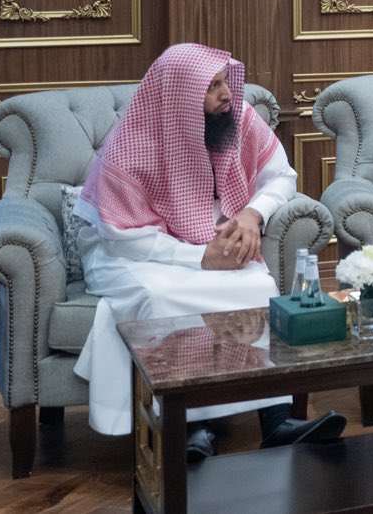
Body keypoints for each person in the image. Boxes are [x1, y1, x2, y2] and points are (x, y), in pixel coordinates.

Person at [74, 44, 345, 460]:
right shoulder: (133, 143)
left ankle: (277, 423)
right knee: (163, 298)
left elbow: (282, 176)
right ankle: (190, 429)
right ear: (181, 95)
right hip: (137, 252)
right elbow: (120, 234)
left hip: (210, 240)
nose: (226, 94)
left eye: (224, 82)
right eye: (213, 86)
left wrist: (253, 214)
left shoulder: (236, 119)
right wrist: (199, 259)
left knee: (257, 288)